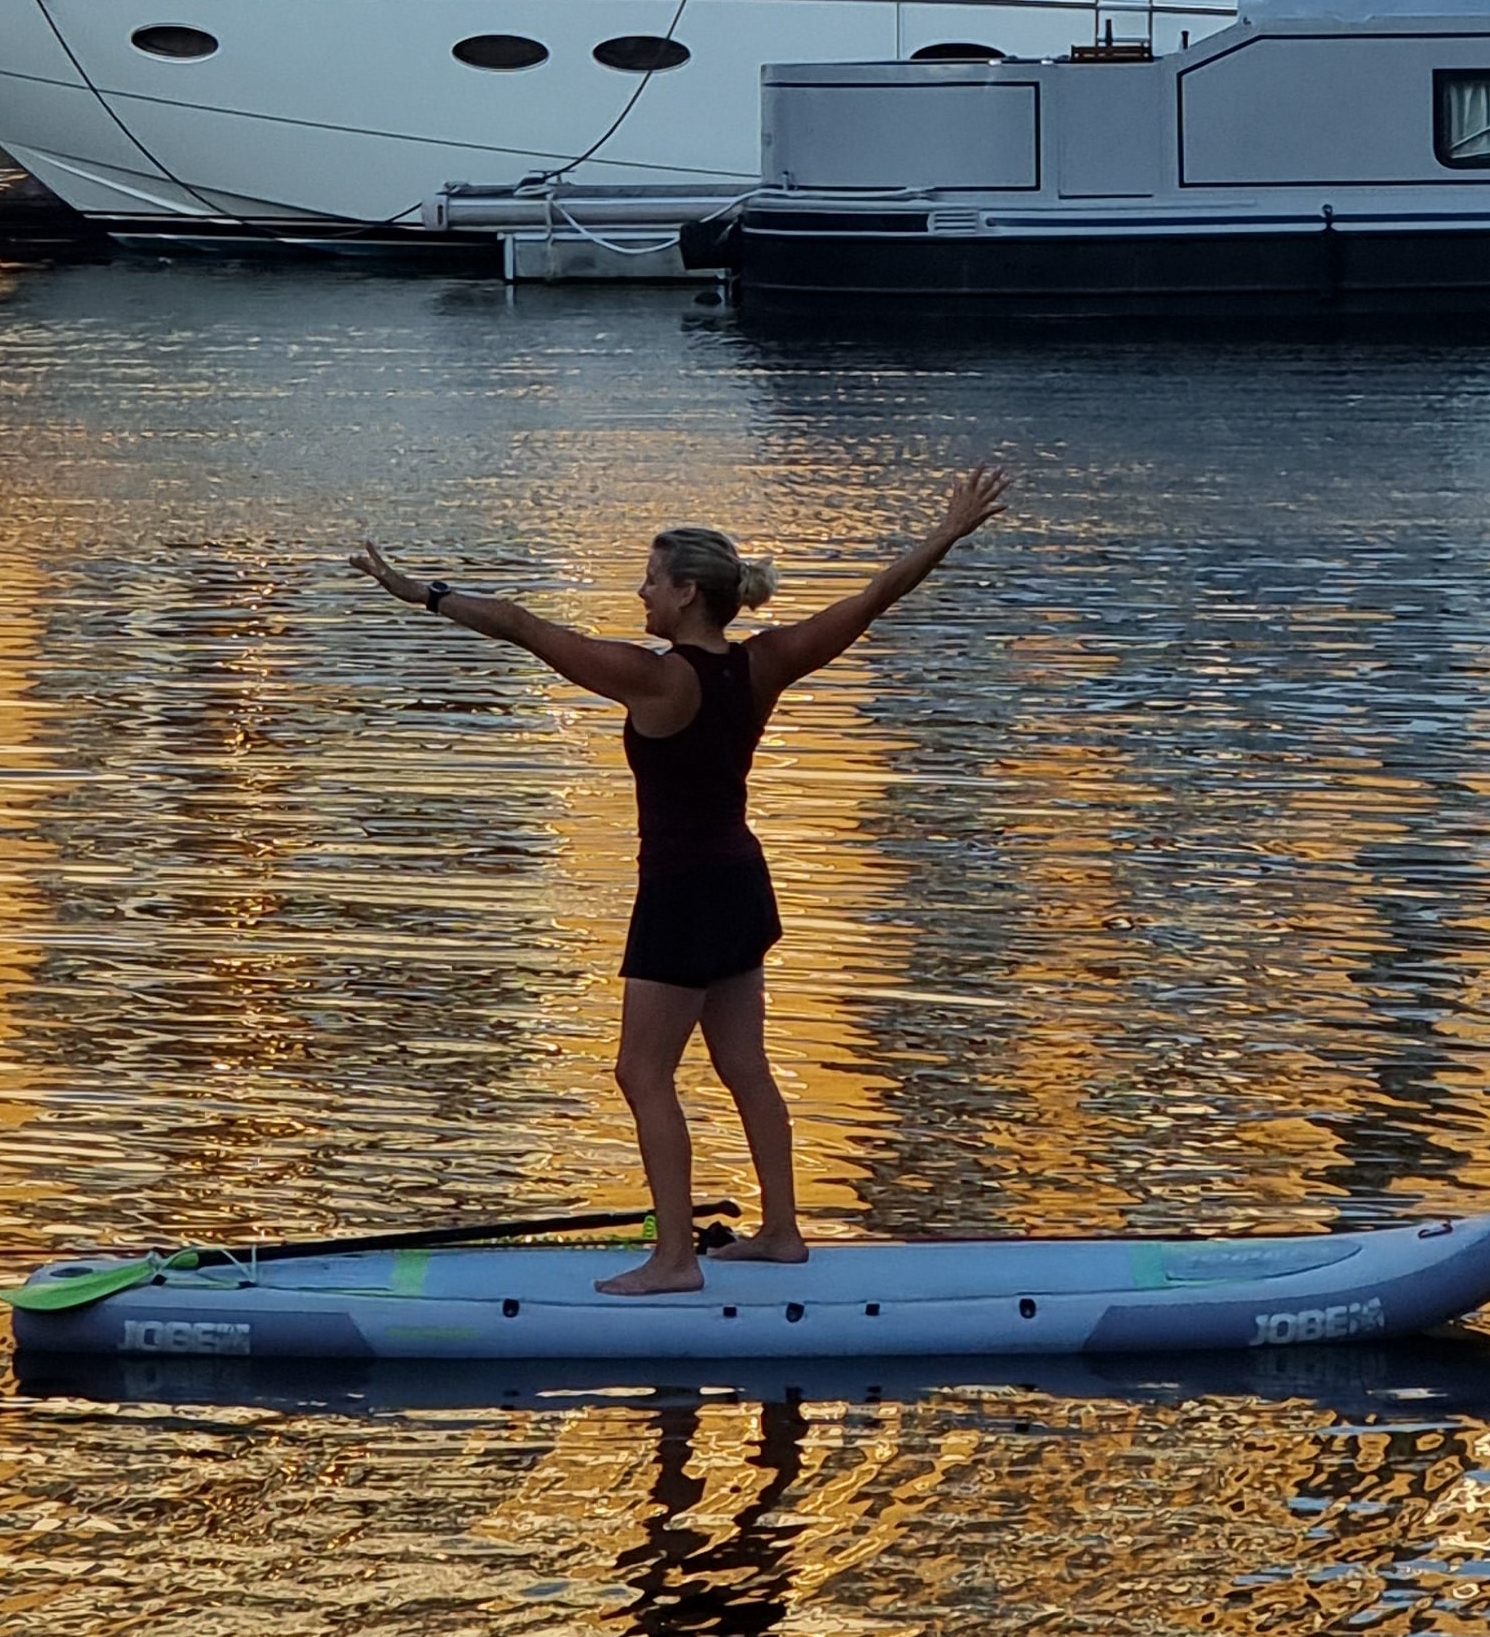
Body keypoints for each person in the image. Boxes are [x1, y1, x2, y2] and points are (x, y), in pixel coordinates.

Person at [356, 467, 1009, 1297]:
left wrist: (418, 591)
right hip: (741, 884)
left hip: (683, 894)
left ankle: (674, 1260)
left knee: (641, 1072)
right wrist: (945, 534)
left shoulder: (656, 678)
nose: (641, 592)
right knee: (744, 1063)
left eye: (652, 580)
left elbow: (522, 625)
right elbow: (873, 598)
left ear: (688, 593)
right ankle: (780, 1233)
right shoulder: (763, 665)